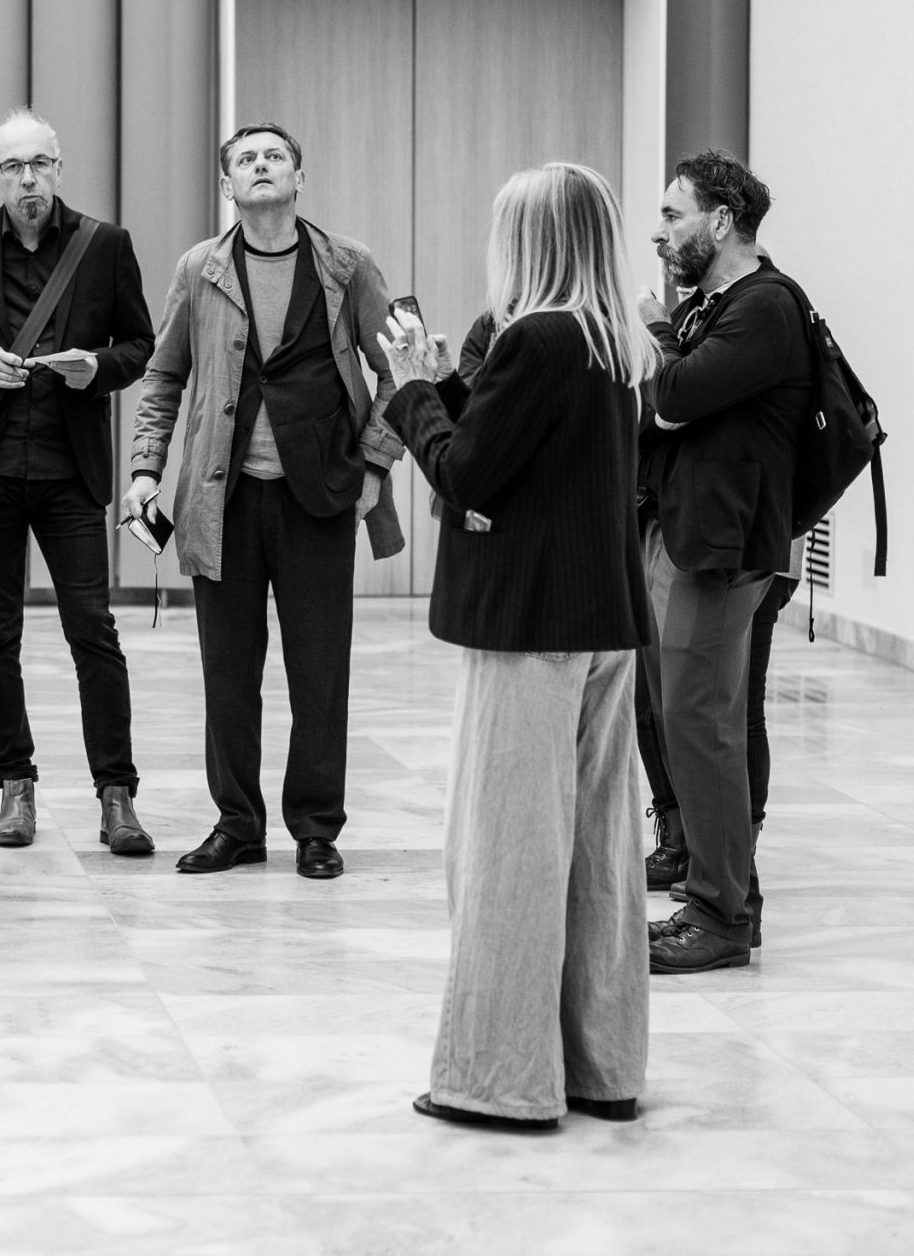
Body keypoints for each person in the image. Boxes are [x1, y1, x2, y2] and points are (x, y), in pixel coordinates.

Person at [380, 161, 655, 1131]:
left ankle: (498, 1081)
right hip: (602, 622)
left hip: (530, 625)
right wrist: (452, 379)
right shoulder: (613, 340)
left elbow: (465, 472)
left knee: (507, 851)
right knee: (599, 856)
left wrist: (414, 391)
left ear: (531, 242)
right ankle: (602, 1068)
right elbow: (521, 448)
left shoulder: (536, 338)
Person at [122, 123, 406, 880]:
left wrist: (375, 464)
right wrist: (146, 468)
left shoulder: (348, 265)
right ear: (228, 186)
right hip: (223, 499)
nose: (260, 165)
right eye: (245, 159)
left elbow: (400, 368)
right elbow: (163, 374)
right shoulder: (199, 268)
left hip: (321, 496)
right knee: (227, 673)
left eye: (274, 156)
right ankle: (237, 824)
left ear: (298, 178)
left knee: (321, 673)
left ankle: (316, 828)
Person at [0, 111, 157, 857]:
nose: (27, 179)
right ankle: (15, 784)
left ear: (58, 168)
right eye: (12, 167)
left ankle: (116, 793)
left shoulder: (105, 244)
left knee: (92, 630)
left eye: (39, 164)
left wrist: (98, 368)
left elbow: (141, 344)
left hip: (70, 470)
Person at [637, 150, 811, 973]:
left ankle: (719, 915)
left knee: (700, 722)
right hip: (692, 533)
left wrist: (654, 335)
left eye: (673, 214)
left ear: (722, 219)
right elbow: (665, 409)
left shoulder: (766, 304)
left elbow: (672, 397)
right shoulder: (717, 306)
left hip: (725, 544)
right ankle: (731, 898)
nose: (659, 231)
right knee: (692, 720)